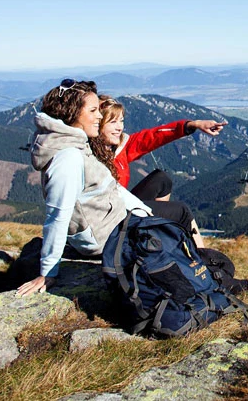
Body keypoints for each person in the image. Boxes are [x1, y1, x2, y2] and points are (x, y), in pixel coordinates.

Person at [16, 79, 155, 297]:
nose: (100, 116)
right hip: (102, 236)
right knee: (178, 215)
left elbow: (112, 188)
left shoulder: (75, 144)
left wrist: (143, 211)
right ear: (72, 113)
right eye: (93, 110)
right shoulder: (68, 158)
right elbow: (58, 216)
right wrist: (48, 272)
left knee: (166, 217)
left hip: (108, 223)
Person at [88, 95, 227, 248]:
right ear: (97, 124)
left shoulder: (118, 148)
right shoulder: (88, 158)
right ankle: (203, 258)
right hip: (109, 222)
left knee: (162, 179)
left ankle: (157, 234)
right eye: (112, 122)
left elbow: (155, 135)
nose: (119, 128)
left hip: (121, 207)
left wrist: (194, 124)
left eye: (121, 121)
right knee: (181, 211)